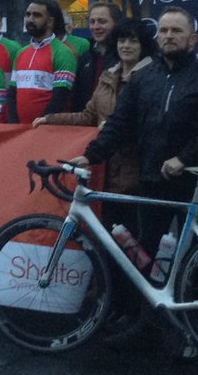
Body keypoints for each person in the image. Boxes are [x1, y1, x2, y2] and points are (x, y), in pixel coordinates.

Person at [70, 7, 198, 353]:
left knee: (193, 257)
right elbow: (120, 122)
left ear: (193, 38)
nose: (169, 36)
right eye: (163, 31)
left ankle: (192, 330)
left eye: (177, 30)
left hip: (192, 181)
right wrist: (92, 153)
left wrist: (184, 158)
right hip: (151, 178)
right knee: (147, 250)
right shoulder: (145, 78)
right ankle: (149, 324)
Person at [37, 18, 155, 326]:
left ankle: (134, 310)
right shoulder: (107, 76)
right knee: (111, 245)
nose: (126, 45)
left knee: (135, 246)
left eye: (133, 41)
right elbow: (88, 115)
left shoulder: (152, 77)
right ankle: (115, 304)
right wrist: (51, 119)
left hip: (137, 172)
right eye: (122, 40)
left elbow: (153, 125)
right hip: (107, 174)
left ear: (144, 46)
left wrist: (114, 129)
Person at [9, 0, 77, 124]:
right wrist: (14, 124)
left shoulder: (63, 53)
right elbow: (13, 93)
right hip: (20, 132)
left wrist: (42, 123)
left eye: (37, 15)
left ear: (50, 21)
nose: (30, 19)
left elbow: (60, 97)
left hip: (48, 130)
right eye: (28, 14)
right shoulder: (21, 53)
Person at [71, 3, 123, 111]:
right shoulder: (85, 57)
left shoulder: (125, 57)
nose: (96, 27)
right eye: (92, 22)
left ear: (116, 23)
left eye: (102, 21)